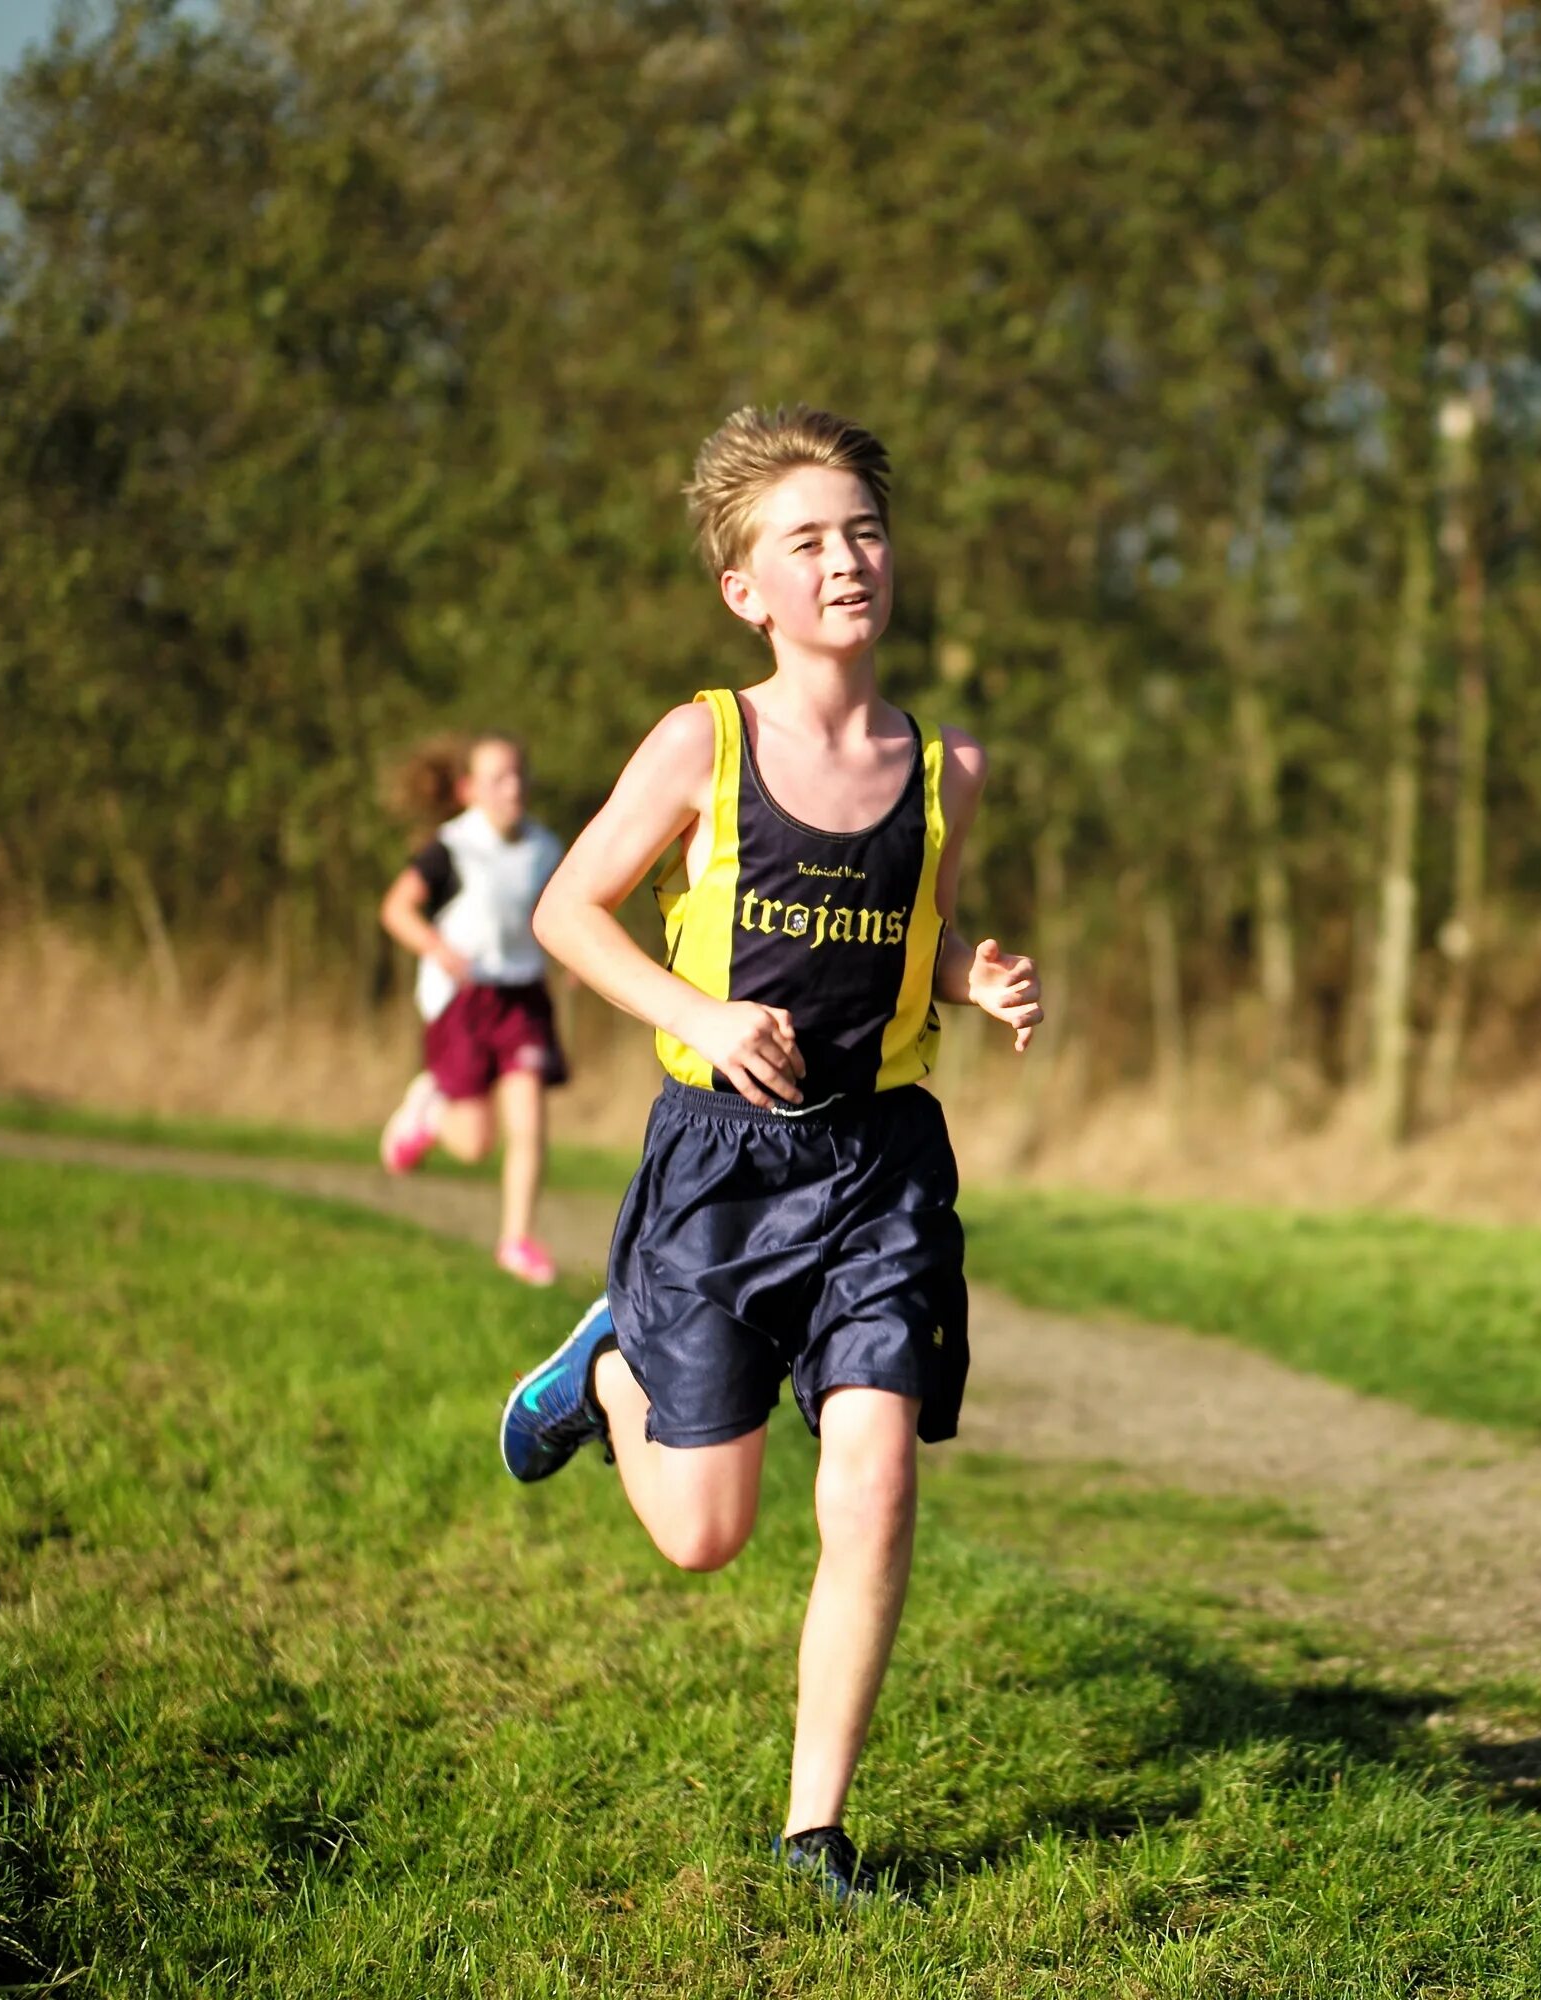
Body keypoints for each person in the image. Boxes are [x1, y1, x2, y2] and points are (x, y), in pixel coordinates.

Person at [502, 405, 1044, 1905]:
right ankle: (610, 1373)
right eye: (806, 541)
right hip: (721, 1171)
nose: (844, 560)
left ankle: (817, 1834)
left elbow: (905, 951)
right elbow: (566, 915)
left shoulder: (947, 770)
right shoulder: (702, 741)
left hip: (882, 1167)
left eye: (862, 530)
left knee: (872, 1476)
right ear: (750, 589)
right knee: (703, 1533)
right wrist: (699, 1012)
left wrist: (970, 986)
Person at [375, 731, 569, 1285]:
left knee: (529, 1118)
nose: (512, 789)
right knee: (474, 1142)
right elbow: (397, 909)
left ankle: (516, 1241)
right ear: (468, 790)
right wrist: (436, 947)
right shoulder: (450, 848)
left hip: (522, 995)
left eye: (518, 776)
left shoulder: (545, 848)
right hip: (462, 998)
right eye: (496, 780)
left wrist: (577, 956)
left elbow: (560, 913)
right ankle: (431, 1113)